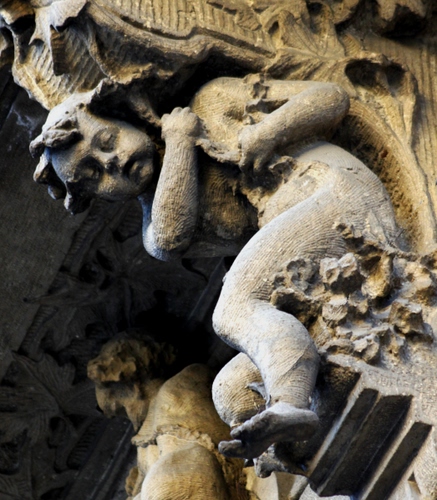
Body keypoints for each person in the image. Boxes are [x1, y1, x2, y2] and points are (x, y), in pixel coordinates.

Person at [31, 74, 398, 461]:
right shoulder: (155, 229)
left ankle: (290, 403)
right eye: (94, 176)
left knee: (233, 308)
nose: (112, 163)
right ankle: (292, 439)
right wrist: (179, 140)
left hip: (333, 198)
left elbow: (331, 97)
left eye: (108, 140)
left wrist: (270, 131)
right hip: (307, 267)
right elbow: (170, 234)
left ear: (121, 115)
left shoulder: (214, 100)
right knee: (230, 391)